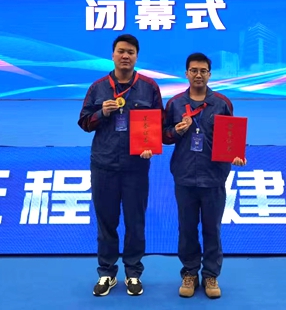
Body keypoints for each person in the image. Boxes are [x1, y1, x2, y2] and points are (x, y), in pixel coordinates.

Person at [78, 34, 164, 297]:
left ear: (136, 56)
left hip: (136, 166)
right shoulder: (98, 88)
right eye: (121, 51)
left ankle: (133, 273)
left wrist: (151, 145)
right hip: (104, 164)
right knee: (107, 221)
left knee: (135, 221)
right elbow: (84, 122)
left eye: (131, 52)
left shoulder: (149, 87)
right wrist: (102, 113)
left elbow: (159, 124)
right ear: (113, 54)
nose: (125, 56)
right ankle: (106, 272)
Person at [162, 52, 246, 299]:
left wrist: (236, 155)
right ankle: (189, 273)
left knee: (212, 229)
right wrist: (176, 131)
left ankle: (210, 275)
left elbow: (232, 137)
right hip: (184, 176)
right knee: (187, 229)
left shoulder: (222, 103)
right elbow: (164, 136)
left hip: (213, 177)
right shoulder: (175, 104)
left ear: (209, 74)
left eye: (203, 71)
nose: (198, 75)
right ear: (186, 73)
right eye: (193, 70)